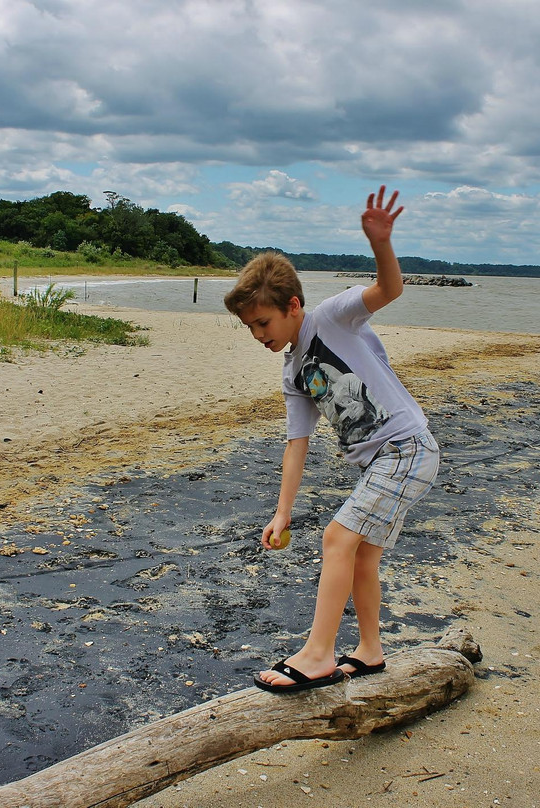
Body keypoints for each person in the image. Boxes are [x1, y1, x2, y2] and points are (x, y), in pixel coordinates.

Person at [223, 186, 440, 693]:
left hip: (407, 448)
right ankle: (369, 650)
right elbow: (296, 443)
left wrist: (381, 244)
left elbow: (389, 290)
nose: (258, 335)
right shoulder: (292, 372)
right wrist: (282, 512)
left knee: (337, 539)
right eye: (249, 327)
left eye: (263, 322)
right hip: (380, 464)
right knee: (362, 555)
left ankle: (318, 654)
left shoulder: (330, 317)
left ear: (293, 306)